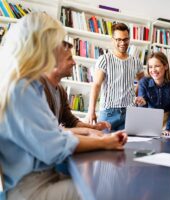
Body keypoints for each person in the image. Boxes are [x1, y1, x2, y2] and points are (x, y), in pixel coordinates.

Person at [0, 13, 127, 200]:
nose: (64, 50)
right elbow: (54, 148)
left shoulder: (29, 85)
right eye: (59, 43)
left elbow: (54, 132)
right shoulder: (21, 89)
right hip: (30, 190)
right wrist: (106, 142)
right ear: (43, 46)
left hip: (44, 178)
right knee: (107, 191)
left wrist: (93, 134)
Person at [40, 40, 111, 135]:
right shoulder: (38, 87)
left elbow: (70, 121)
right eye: (69, 58)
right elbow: (48, 131)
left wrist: (94, 127)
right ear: (54, 62)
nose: (74, 63)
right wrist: (88, 131)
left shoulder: (60, 91)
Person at [87, 22, 144, 131]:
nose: (123, 43)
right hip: (108, 113)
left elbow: (143, 82)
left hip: (129, 113)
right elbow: (96, 85)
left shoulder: (136, 61)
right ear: (113, 40)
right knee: (104, 146)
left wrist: (136, 96)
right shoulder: (105, 59)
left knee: (128, 146)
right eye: (119, 39)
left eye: (126, 39)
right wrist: (91, 110)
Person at [135, 52, 170, 135]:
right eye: (150, 67)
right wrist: (142, 102)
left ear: (166, 66)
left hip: (166, 120)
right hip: (148, 117)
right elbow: (142, 108)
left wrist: (168, 128)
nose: (153, 70)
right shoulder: (143, 82)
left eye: (157, 66)